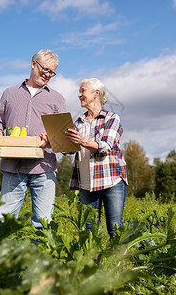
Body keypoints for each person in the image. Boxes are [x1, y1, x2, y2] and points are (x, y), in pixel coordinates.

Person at [0, 49, 66, 230]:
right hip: (12, 166)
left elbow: (62, 135)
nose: (47, 75)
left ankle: (38, 258)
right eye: (45, 69)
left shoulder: (56, 98)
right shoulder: (10, 93)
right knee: (4, 222)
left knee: (43, 223)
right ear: (33, 64)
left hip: (44, 168)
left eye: (51, 72)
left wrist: (49, 138)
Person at [65, 78, 127, 238]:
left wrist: (82, 141)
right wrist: (56, 139)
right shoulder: (78, 122)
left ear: (96, 93)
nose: (79, 95)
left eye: (82, 91)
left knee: (115, 229)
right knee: (90, 231)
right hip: (87, 184)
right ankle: (92, 263)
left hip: (111, 180)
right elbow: (69, 151)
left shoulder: (111, 118)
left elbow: (106, 146)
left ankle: (120, 263)